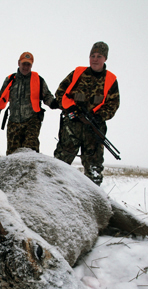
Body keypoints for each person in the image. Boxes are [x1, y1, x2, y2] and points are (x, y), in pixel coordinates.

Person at [53, 42, 120, 185]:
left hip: (94, 130)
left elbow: (113, 104)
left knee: (94, 171)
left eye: (99, 56)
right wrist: (70, 108)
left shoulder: (111, 79)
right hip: (71, 127)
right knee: (59, 166)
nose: (95, 59)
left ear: (105, 59)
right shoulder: (77, 73)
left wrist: (98, 116)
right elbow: (60, 93)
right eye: (92, 56)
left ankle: (94, 202)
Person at [0, 52, 58, 155]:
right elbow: (1, 98)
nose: (26, 67)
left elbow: (47, 96)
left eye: (28, 64)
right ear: (19, 63)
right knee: (12, 155)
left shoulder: (38, 80)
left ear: (32, 65)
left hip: (32, 121)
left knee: (30, 152)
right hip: (14, 122)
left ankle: (33, 171)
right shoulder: (10, 80)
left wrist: (53, 103)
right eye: (24, 64)